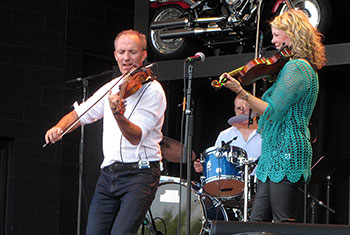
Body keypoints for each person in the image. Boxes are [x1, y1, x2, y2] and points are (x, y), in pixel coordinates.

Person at [45, 30, 167, 234]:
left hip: (140, 173)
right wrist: (59, 127)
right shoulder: (111, 88)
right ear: (115, 55)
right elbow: (79, 113)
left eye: (132, 52)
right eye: (122, 52)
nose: (126, 57)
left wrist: (117, 114)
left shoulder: (153, 90)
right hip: (109, 174)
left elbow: (135, 136)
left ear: (143, 55)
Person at [220, 9, 326, 223]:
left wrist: (241, 92)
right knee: (256, 221)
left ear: (293, 34)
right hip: (275, 150)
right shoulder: (296, 67)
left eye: (277, 35)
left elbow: (272, 112)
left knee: (283, 221)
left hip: (287, 149)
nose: (273, 40)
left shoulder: (297, 68)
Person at [194, 95, 261, 174]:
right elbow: (217, 164)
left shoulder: (266, 134)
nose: (242, 112)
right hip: (234, 184)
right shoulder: (225, 135)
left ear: (255, 111)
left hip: (263, 184)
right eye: (239, 108)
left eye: (245, 109)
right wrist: (204, 167)